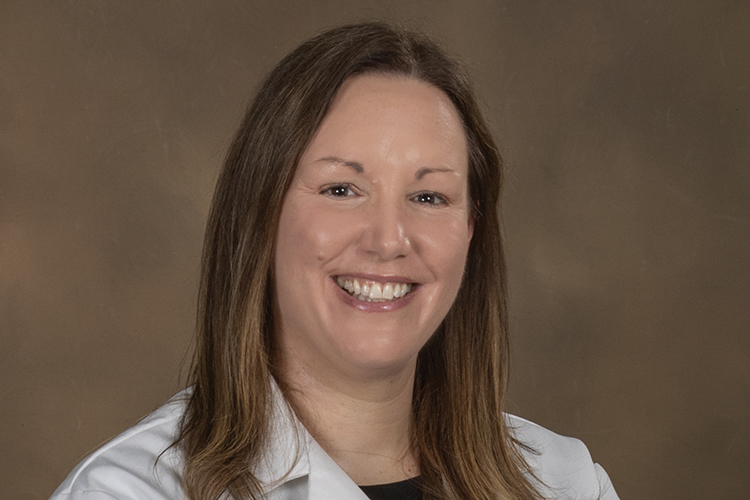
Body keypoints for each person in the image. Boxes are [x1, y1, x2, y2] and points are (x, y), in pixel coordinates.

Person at [50, 22, 619, 500]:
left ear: (471, 231)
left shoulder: (563, 483)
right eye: (342, 189)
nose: (389, 239)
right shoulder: (128, 490)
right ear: (260, 215)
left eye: (428, 198)